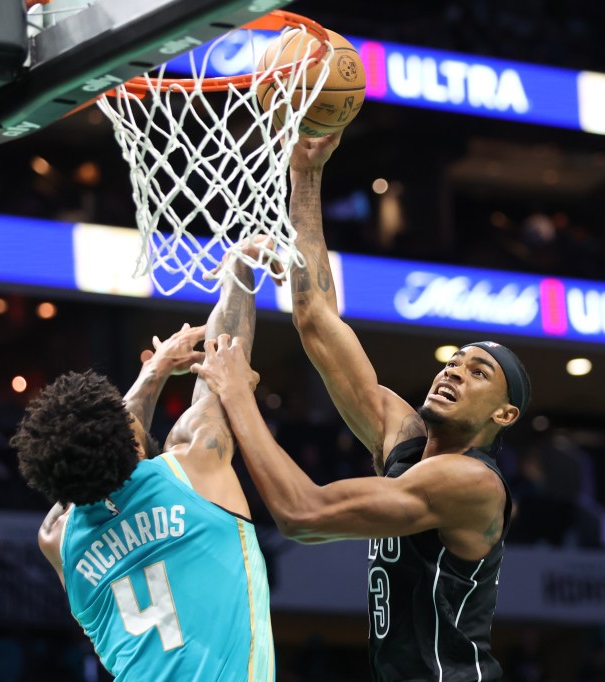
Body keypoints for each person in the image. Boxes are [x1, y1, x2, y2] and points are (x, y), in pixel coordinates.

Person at [190, 133, 531, 681]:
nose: (453, 371)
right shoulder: (403, 434)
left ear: (504, 415)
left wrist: (236, 394)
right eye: (455, 360)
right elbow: (316, 319)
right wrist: (306, 173)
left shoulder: (472, 484)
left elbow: (303, 515)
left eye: (478, 372)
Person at [10, 253, 274, 681]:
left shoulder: (58, 540)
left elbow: (89, 444)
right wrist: (238, 269)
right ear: (130, 439)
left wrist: (154, 370)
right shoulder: (194, 462)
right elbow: (227, 355)